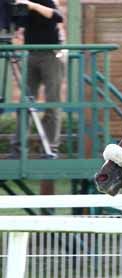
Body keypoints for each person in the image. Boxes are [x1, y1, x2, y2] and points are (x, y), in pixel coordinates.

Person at [11, 0, 64, 159]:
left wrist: (32, 5)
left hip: (51, 54)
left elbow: (57, 16)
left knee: (52, 104)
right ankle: (18, 151)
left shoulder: (46, 1)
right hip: (31, 54)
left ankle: (50, 149)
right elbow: (16, 24)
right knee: (25, 104)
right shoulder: (22, 5)